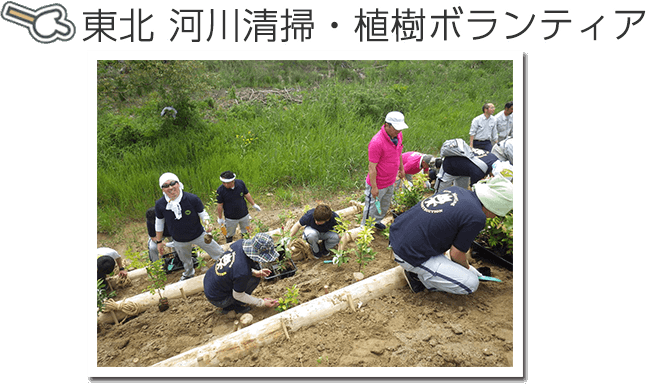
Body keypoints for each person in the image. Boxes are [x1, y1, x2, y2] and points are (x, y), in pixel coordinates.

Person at [389, 174, 513, 295]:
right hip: (409, 253)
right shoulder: (477, 217)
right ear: (495, 206)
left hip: (398, 234)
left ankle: (423, 270)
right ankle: (418, 277)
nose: (496, 216)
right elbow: (456, 254)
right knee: (470, 283)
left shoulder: (457, 190)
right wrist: (468, 269)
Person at [154, 172, 224, 281]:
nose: (170, 187)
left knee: (217, 251)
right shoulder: (160, 204)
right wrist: (159, 242)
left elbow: (203, 213)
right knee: (185, 260)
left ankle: (226, 265)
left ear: (178, 184)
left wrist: (207, 223)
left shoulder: (191, 198)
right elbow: (159, 223)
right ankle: (189, 274)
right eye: (166, 185)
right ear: (162, 189)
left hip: (199, 234)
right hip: (179, 240)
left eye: (173, 183)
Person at [203, 233, 280, 314]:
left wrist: (255, 272)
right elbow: (238, 295)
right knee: (253, 280)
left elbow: (233, 267)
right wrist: (262, 303)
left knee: (254, 275)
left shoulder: (239, 244)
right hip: (217, 298)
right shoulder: (242, 272)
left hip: (209, 278)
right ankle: (233, 306)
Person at [361, 111, 408, 229]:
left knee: (384, 205)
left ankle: (376, 222)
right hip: (378, 182)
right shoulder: (377, 142)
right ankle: (365, 229)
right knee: (371, 207)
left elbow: (399, 153)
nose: (398, 131)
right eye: (396, 128)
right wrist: (374, 187)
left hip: (391, 180)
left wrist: (401, 169)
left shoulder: (398, 135)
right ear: (387, 125)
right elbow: (372, 168)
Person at [216, 171, 261, 243]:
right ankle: (229, 244)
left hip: (244, 215)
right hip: (230, 218)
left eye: (226, 183)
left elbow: (246, 194)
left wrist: (253, 204)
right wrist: (220, 218)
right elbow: (220, 205)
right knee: (229, 233)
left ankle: (247, 242)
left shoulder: (240, 184)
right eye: (223, 182)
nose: (224, 184)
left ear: (232, 181)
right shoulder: (220, 190)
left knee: (246, 230)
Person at [433, 147, 499, 191]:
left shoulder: (494, 158)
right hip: (450, 166)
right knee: (440, 192)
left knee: (461, 193)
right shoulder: (479, 171)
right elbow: (476, 190)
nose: (492, 177)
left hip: (464, 170)